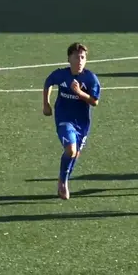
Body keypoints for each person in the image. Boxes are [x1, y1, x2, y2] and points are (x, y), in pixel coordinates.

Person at [43, 42, 101, 200]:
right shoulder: (61, 74)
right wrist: (46, 104)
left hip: (82, 123)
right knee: (71, 150)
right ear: (69, 59)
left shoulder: (90, 78)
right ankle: (63, 183)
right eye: (76, 57)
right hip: (64, 119)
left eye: (83, 57)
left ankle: (63, 179)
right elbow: (48, 82)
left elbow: (94, 101)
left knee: (75, 154)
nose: (80, 61)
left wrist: (79, 93)